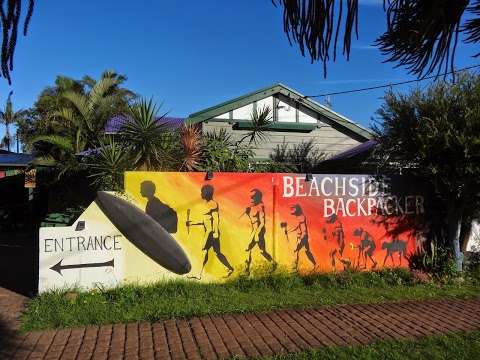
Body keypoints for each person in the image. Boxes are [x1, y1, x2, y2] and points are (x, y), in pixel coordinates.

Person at [186, 184, 234, 279]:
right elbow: (205, 221)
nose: (201, 193)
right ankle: (229, 268)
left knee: (205, 252)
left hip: (211, 233)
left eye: (202, 192)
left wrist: (215, 232)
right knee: (216, 253)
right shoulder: (206, 205)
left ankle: (198, 274)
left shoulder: (213, 204)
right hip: (208, 233)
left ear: (207, 193)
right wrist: (192, 223)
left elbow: (216, 219)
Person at [244, 189, 273, 273]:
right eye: (250, 196)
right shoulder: (252, 206)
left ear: (258, 197)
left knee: (256, 250)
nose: (251, 198)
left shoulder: (260, 206)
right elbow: (252, 220)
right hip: (253, 231)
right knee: (256, 250)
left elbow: (262, 223)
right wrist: (247, 213)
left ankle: (246, 270)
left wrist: (257, 234)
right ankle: (246, 270)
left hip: (258, 231)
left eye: (253, 196)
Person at [284, 204, 316, 271]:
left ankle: (294, 269)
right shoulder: (299, 217)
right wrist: (288, 231)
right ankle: (315, 264)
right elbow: (296, 227)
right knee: (307, 251)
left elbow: (303, 229)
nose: (292, 210)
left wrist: (301, 238)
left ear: (297, 209)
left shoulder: (301, 217)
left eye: (294, 209)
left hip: (303, 237)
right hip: (303, 236)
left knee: (295, 251)